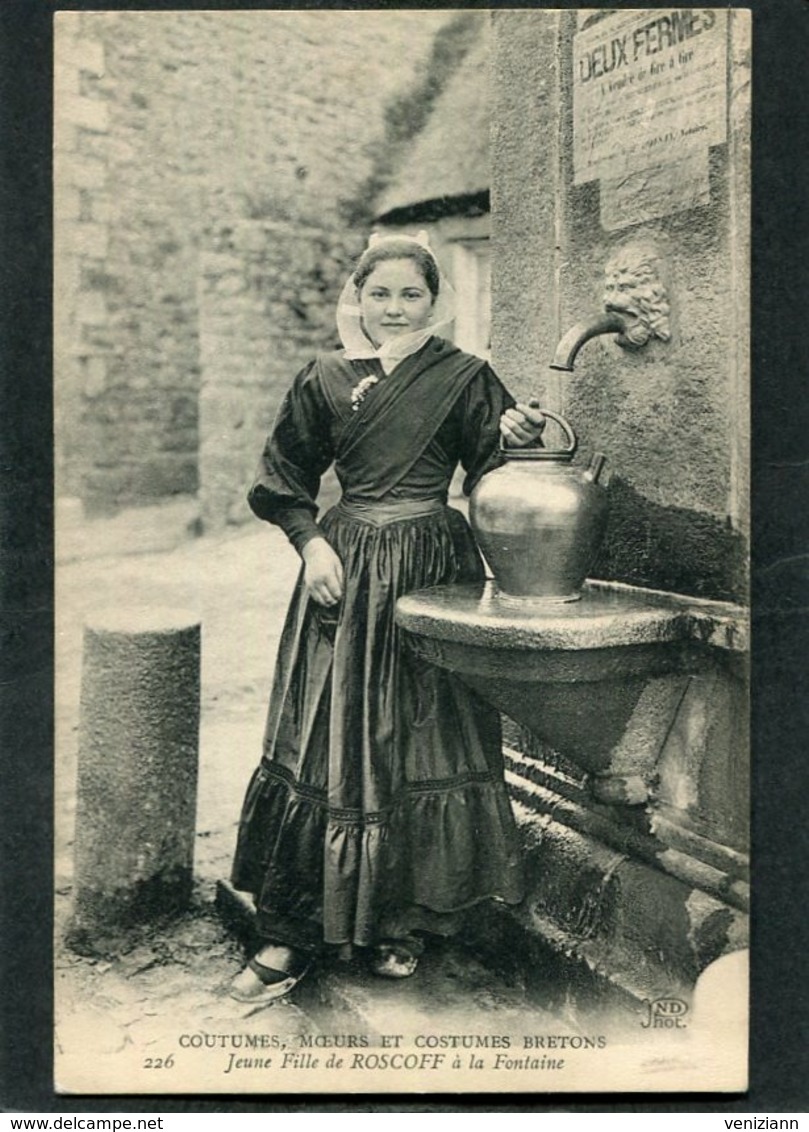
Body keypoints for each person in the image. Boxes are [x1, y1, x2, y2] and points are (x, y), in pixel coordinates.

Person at [229, 231, 545, 1004]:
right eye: (381, 295)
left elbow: (493, 476)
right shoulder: (325, 376)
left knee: (418, 731)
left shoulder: (467, 376)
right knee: (328, 735)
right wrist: (311, 546)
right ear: (359, 301)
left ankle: (399, 920)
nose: (395, 308)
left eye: (411, 295)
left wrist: (516, 442)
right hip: (345, 565)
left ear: (434, 302)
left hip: (434, 566)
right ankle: (291, 929)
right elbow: (282, 478)